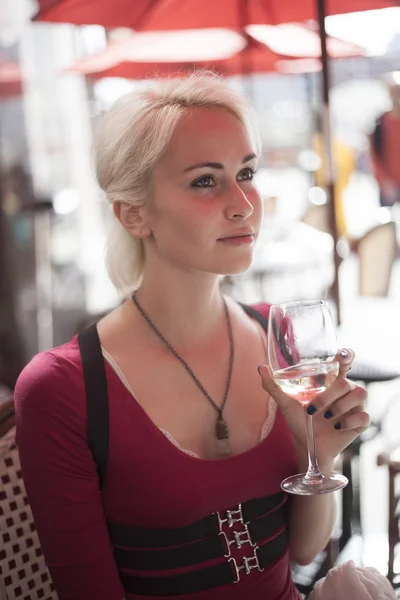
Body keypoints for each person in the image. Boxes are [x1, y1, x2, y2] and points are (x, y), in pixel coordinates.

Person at [14, 72, 369, 600]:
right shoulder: (62, 388)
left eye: (246, 172)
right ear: (133, 214)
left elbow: (302, 552)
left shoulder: (279, 336)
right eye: (206, 180)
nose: (244, 204)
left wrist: (316, 452)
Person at [370, 73, 400, 207]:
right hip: (389, 186)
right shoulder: (380, 122)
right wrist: (384, 181)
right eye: (393, 92)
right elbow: (374, 155)